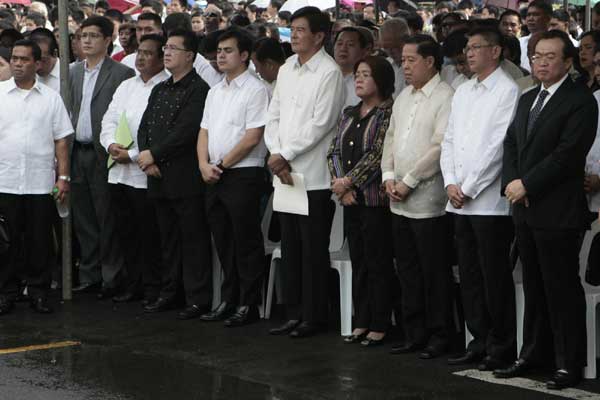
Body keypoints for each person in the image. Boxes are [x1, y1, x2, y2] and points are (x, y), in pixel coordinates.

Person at [495, 30, 598, 390]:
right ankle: (532, 355)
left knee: (560, 289)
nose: (541, 62)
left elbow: (566, 155)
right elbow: (510, 144)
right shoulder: (527, 99)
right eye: (537, 55)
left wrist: (528, 184)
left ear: (568, 62)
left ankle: (568, 363)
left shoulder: (580, 101)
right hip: (524, 208)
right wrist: (512, 182)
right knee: (534, 286)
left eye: (550, 56)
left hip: (558, 211)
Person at [441, 27, 519, 371]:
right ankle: (478, 339)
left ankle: (500, 345)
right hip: (457, 196)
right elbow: (449, 139)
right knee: (469, 274)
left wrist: (469, 187)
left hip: (488, 201)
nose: (469, 53)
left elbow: (497, 148)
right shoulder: (463, 90)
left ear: (496, 51)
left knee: (492, 275)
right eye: (467, 48)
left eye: (476, 48)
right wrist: (450, 183)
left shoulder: (507, 90)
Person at [265, 6, 344, 338]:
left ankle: (314, 316)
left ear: (319, 36)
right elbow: (274, 114)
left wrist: (286, 154)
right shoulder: (286, 69)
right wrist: (274, 152)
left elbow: (321, 123)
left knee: (313, 249)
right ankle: (293, 312)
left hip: (312, 176)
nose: (294, 35)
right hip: (283, 172)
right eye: (292, 29)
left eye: (300, 30)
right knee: (292, 247)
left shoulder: (329, 72)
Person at [379, 34, 454, 359]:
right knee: (407, 269)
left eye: (411, 60)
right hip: (397, 198)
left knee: (433, 272)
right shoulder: (404, 95)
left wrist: (409, 180)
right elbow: (391, 138)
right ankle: (414, 332)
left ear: (430, 62)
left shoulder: (446, 96)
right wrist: (388, 176)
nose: (404, 66)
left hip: (429, 200)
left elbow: (440, 147)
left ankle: (439, 335)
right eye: (403, 60)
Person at [137, 29, 213, 319]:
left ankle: (197, 298)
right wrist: (147, 157)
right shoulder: (160, 88)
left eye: (173, 48)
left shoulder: (199, 89)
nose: (166, 52)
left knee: (192, 239)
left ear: (190, 56)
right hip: (157, 176)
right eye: (166, 47)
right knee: (166, 239)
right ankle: (170, 292)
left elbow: (186, 131)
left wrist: (154, 154)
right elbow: (145, 126)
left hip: (185, 177)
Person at [197, 29, 269, 327]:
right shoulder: (215, 91)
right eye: (219, 50)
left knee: (245, 239)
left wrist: (221, 165)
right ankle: (228, 298)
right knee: (223, 239)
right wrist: (203, 163)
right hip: (213, 172)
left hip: (243, 173)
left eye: (228, 50)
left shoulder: (255, 89)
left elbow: (253, 137)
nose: (221, 55)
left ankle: (248, 303)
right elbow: (204, 131)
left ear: (244, 55)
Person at [0, 39, 73, 314]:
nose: (18, 64)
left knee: (39, 240)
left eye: (24, 59)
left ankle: (38, 291)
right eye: (15, 59)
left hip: (39, 181)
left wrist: (63, 176)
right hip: (4, 180)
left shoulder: (51, 98)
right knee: (6, 242)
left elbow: (61, 141)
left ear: (37, 63)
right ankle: (6, 292)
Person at [327, 56, 395, 347]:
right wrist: (341, 185)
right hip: (350, 200)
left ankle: (380, 322)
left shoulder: (386, 112)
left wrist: (349, 181)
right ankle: (361, 320)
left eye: (366, 74)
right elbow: (333, 151)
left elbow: (378, 154)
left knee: (377, 262)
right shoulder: (349, 112)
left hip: (374, 200)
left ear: (380, 79)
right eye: (357, 74)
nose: (358, 79)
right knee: (359, 261)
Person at [67, 16, 135, 298]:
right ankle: (90, 273)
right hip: (76, 151)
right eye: (83, 35)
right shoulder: (71, 72)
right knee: (82, 217)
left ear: (108, 40)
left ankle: (111, 276)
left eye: (94, 35)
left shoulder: (120, 73)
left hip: (104, 153)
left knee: (106, 216)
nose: (86, 40)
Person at [99, 34, 169, 304]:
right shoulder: (127, 85)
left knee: (149, 233)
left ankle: (153, 286)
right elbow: (110, 118)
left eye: (148, 53)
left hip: (145, 172)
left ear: (162, 58)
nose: (140, 58)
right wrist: (111, 145)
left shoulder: (165, 86)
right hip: (118, 171)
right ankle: (133, 283)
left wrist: (132, 154)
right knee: (125, 230)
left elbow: (161, 135)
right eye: (139, 52)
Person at [334, 26, 373, 109]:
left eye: (350, 45)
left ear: (365, 51)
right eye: (339, 43)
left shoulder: (369, 82)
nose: (343, 49)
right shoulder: (326, 75)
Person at [379, 18, 409, 99]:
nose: (390, 51)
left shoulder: (419, 66)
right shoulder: (384, 66)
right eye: (386, 47)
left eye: (394, 47)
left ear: (406, 40)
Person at [519, 0, 551, 72]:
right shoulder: (520, 42)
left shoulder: (555, 44)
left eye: (536, 14)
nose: (530, 19)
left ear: (548, 18)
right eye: (528, 15)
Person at [30, 28, 60, 93]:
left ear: (55, 54)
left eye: (43, 60)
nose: (38, 66)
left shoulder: (68, 75)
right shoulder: (27, 74)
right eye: (34, 60)